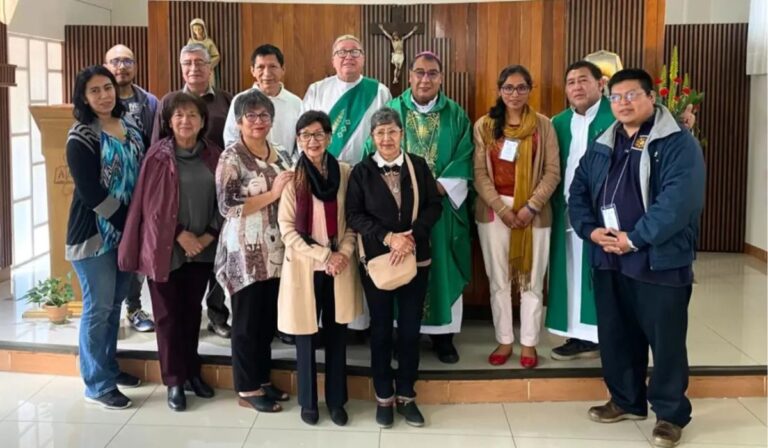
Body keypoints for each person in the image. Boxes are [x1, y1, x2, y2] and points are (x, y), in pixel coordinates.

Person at [568, 68, 705, 448]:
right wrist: (590, 231)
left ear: (651, 98)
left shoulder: (676, 142)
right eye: (616, 97)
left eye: (631, 95)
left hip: (658, 261)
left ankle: (670, 414)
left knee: (666, 342)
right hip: (609, 258)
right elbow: (578, 191)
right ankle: (627, 400)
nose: (623, 103)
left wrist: (635, 239)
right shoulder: (603, 141)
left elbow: (679, 203)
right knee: (616, 335)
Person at [363, 51, 472, 363]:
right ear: (409, 75)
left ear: (441, 77)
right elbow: (373, 153)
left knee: (442, 267)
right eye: (420, 72)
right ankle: (402, 333)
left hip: (441, 212)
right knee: (399, 265)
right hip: (397, 214)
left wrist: (437, 187)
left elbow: (466, 155)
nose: (426, 79)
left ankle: (444, 337)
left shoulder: (456, 114)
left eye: (433, 73)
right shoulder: (391, 111)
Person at [118, 93, 220, 411]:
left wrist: (208, 235)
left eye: (192, 115)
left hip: (203, 247)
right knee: (166, 317)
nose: (185, 121)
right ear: (168, 121)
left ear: (203, 121)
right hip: (166, 249)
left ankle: (192, 372)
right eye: (178, 115)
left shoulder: (214, 156)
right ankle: (174, 380)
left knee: (191, 314)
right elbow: (151, 206)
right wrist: (181, 235)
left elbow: (226, 201)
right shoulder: (157, 156)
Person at [346, 108, 442, 428]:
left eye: (392, 131)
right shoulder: (361, 172)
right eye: (380, 133)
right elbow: (354, 215)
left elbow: (433, 206)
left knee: (410, 330)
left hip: (416, 258)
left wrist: (412, 237)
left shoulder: (418, 166)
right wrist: (389, 238)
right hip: (378, 263)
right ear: (372, 138)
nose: (386, 138)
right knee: (382, 331)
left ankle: (407, 394)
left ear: (402, 133)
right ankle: (384, 396)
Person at [65, 65, 145, 409]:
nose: (103, 95)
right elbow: (90, 192)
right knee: (97, 309)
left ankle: (108, 368)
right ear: (84, 98)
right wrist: (131, 222)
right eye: (94, 90)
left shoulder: (130, 127)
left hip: (127, 231)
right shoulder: (81, 135)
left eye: (107, 87)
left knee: (115, 306)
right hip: (94, 234)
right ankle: (96, 383)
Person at [277, 111, 362, 426]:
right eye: (305, 135)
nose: (312, 141)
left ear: (329, 137)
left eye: (318, 134)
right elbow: (288, 230)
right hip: (304, 267)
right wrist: (324, 256)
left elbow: (352, 221)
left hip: (338, 267)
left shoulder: (345, 173)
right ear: (298, 140)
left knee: (337, 336)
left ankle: (337, 401)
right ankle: (308, 403)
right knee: (305, 336)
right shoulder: (291, 178)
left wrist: (344, 254)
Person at [473, 65, 560, 369]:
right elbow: (480, 174)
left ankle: (529, 342)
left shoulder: (543, 126)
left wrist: (530, 207)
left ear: (530, 89)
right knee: (499, 279)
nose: (514, 93)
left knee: (532, 281)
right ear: (499, 90)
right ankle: (505, 339)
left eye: (521, 87)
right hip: (494, 212)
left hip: (534, 212)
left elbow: (552, 172)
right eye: (508, 88)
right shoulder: (484, 126)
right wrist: (502, 209)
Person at [215, 89, 293, 413]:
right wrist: (273, 194)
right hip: (244, 254)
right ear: (239, 121)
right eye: (251, 116)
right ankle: (246, 389)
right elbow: (227, 205)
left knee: (265, 323)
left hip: (275, 252)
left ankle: (261, 380)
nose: (258, 121)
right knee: (246, 324)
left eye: (264, 116)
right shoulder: (231, 157)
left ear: (272, 121)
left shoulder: (283, 154)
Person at [152, 43, 233, 338]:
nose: (194, 68)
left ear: (211, 66)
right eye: (188, 63)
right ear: (181, 67)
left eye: (200, 62)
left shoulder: (226, 100)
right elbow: (157, 150)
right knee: (180, 269)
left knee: (213, 258)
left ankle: (216, 313)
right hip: (178, 193)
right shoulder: (169, 102)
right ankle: (185, 324)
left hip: (215, 190)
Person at [544, 61, 614, 360]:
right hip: (566, 212)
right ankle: (577, 334)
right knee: (570, 269)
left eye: (583, 80)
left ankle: (604, 334)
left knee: (599, 272)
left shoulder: (616, 117)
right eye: (571, 82)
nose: (576, 87)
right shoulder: (558, 123)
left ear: (601, 84)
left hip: (604, 213)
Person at [103, 44, 157, 333]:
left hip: (142, 189)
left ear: (135, 66)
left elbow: (157, 143)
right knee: (110, 252)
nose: (121, 66)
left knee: (140, 249)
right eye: (115, 61)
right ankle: (112, 310)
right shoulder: (99, 101)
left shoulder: (149, 103)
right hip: (108, 193)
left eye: (127, 61)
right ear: (106, 65)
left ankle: (134, 307)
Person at [302, 34, 391, 166]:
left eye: (355, 52)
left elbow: (389, 133)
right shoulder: (316, 90)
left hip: (366, 170)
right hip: (323, 168)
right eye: (342, 52)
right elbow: (303, 131)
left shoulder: (379, 91)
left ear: (363, 59)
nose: (348, 57)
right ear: (333, 60)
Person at [224, 44, 302, 158]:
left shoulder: (296, 103)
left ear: (283, 69)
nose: (267, 73)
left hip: (287, 170)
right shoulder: (240, 100)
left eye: (273, 66)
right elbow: (231, 139)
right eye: (261, 67)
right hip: (249, 171)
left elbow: (301, 142)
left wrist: (291, 168)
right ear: (252, 70)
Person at [187, 18, 221, 88]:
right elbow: (187, 56)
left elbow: (216, 56)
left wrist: (208, 64)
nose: (197, 31)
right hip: (195, 69)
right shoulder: (191, 43)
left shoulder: (209, 42)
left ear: (203, 29)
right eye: (195, 30)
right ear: (192, 31)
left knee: (208, 87)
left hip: (207, 69)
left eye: (199, 29)